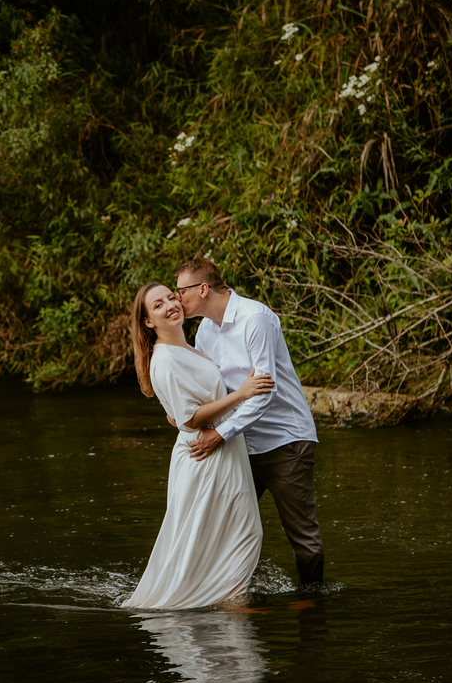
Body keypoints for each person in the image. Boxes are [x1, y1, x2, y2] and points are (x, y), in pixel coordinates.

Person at [173, 258, 325, 586]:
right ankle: (230, 598)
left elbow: (263, 394)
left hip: (285, 442)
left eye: (181, 291)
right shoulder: (205, 331)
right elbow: (207, 388)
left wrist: (219, 434)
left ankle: (311, 602)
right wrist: (179, 408)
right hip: (240, 445)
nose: (177, 299)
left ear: (203, 289)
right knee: (226, 530)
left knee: (302, 536)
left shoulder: (255, 319)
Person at [122, 283, 273, 611]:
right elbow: (190, 420)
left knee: (230, 537)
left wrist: (179, 413)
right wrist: (242, 393)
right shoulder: (165, 358)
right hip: (205, 453)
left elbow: (180, 412)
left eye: (171, 297)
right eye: (158, 305)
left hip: (220, 450)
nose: (170, 305)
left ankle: (230, 607)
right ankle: (229, 610)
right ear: (148, 321)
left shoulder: (185, 348)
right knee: (237, 535)